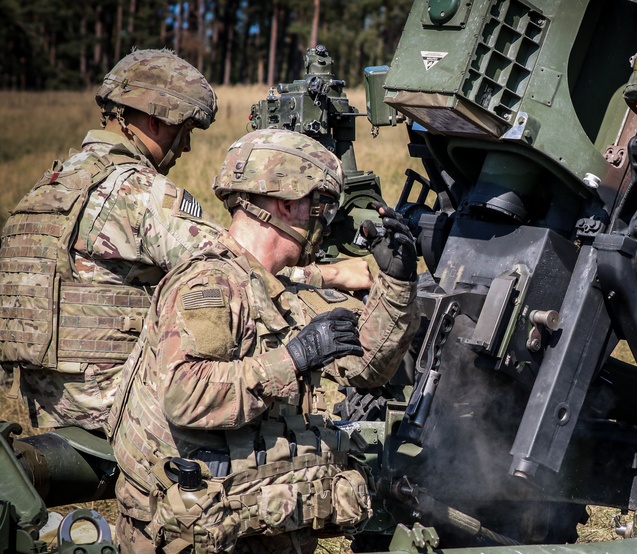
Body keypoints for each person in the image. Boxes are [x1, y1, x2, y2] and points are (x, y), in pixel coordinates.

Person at [0, 49, 371, 434]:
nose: (187, 147)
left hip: (43, 400)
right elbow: (239, 267)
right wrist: (331, 275)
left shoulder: (51, 186)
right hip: (114, 405)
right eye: (186, 130)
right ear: (157, 120)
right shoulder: (139, 194)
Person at [109, 127, 419, 554]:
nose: (323, 223)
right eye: (321, 207)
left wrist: (398, 284)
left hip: (257, 534)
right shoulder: (210, 284)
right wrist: (293, 359)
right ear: (288, 203)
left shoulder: (280, 285)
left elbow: (366, 367)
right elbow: (186, 395)